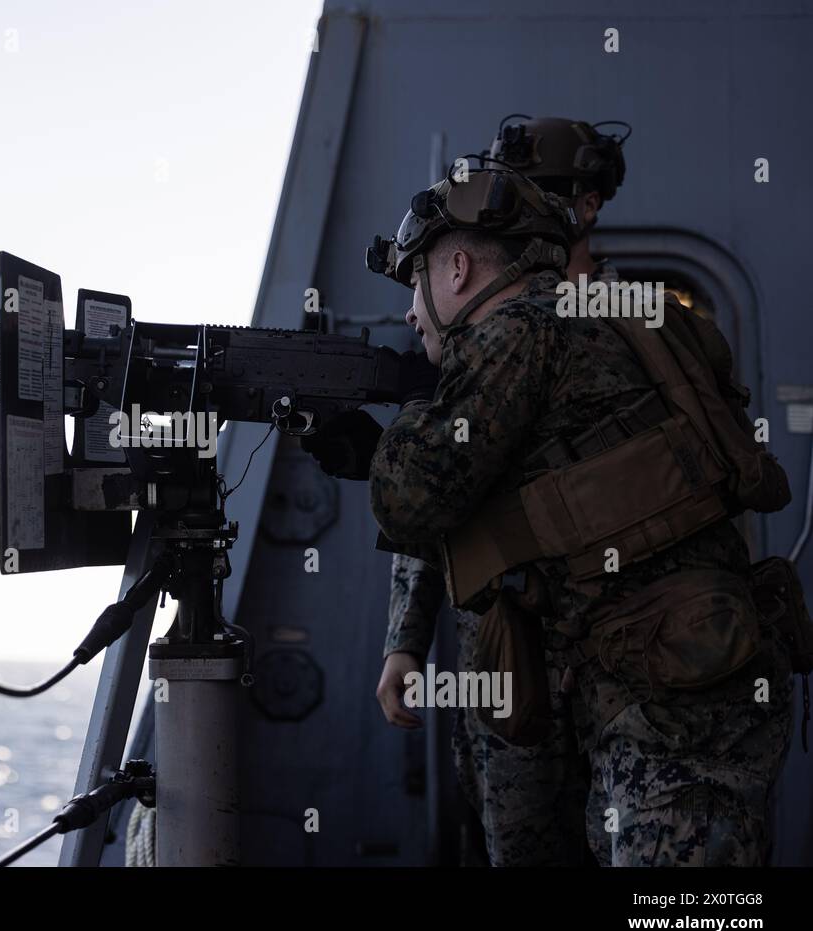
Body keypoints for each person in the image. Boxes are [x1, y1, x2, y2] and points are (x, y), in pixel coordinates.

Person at [306, 165, 794, 865]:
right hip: (681, 667)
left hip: (674, 699)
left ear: (459, 268)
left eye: (416, 283)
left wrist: (396, 436)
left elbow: (415, 496)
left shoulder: (517, 330)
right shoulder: (601, 315)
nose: (413, 313)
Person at [384, 117, 629, 866]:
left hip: (606, 647)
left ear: (586, 207)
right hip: (502, 645)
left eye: (545, 195)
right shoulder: (481, 329)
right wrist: (406, 640)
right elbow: (440, 498)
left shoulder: (622, 322)